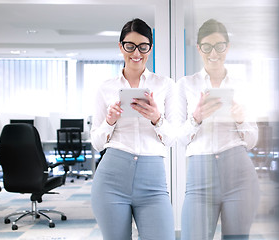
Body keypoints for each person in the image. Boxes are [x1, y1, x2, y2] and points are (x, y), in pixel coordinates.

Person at [90, 18, 176, 240]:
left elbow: (172, 138)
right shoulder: (106, 88)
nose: (136, 52)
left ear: (150, 48)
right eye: (130, 46)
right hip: (111, 178)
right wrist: (109, 121)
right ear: (121, 47)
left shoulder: (165, 85)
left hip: (153, 182)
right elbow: (97, 143)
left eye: (143, 46)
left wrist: (157, 118)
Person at [177, 19, 260, 240]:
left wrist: (241, 120)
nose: (214, 53)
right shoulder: (186, 85)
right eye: (207, 46)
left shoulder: (243, 86)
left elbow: (251, 140)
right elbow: (178, 137)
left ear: (227, 47)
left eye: (219, 46)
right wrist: (196, 117)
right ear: (199, 48)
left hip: (239, 174)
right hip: (200, 177)